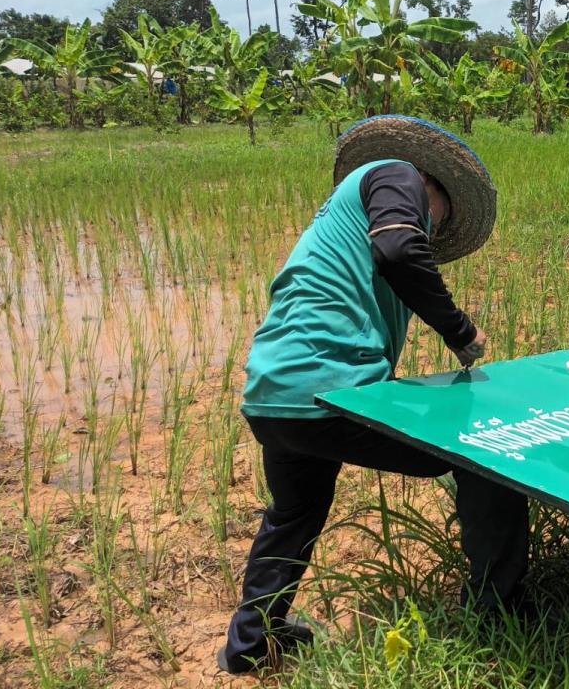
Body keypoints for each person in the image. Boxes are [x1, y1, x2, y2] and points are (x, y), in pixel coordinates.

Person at [218, 116, 530, 675]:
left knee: (295, 512)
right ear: (432, 186)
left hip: (272, 391)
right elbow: (400, 249)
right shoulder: (396, 173)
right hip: (330, 388)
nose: (434, 229)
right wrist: (461, 333)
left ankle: (252, 643)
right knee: (487, 456)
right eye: (441, 218)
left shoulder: (348, 217)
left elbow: (392, 255)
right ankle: (498, 615)